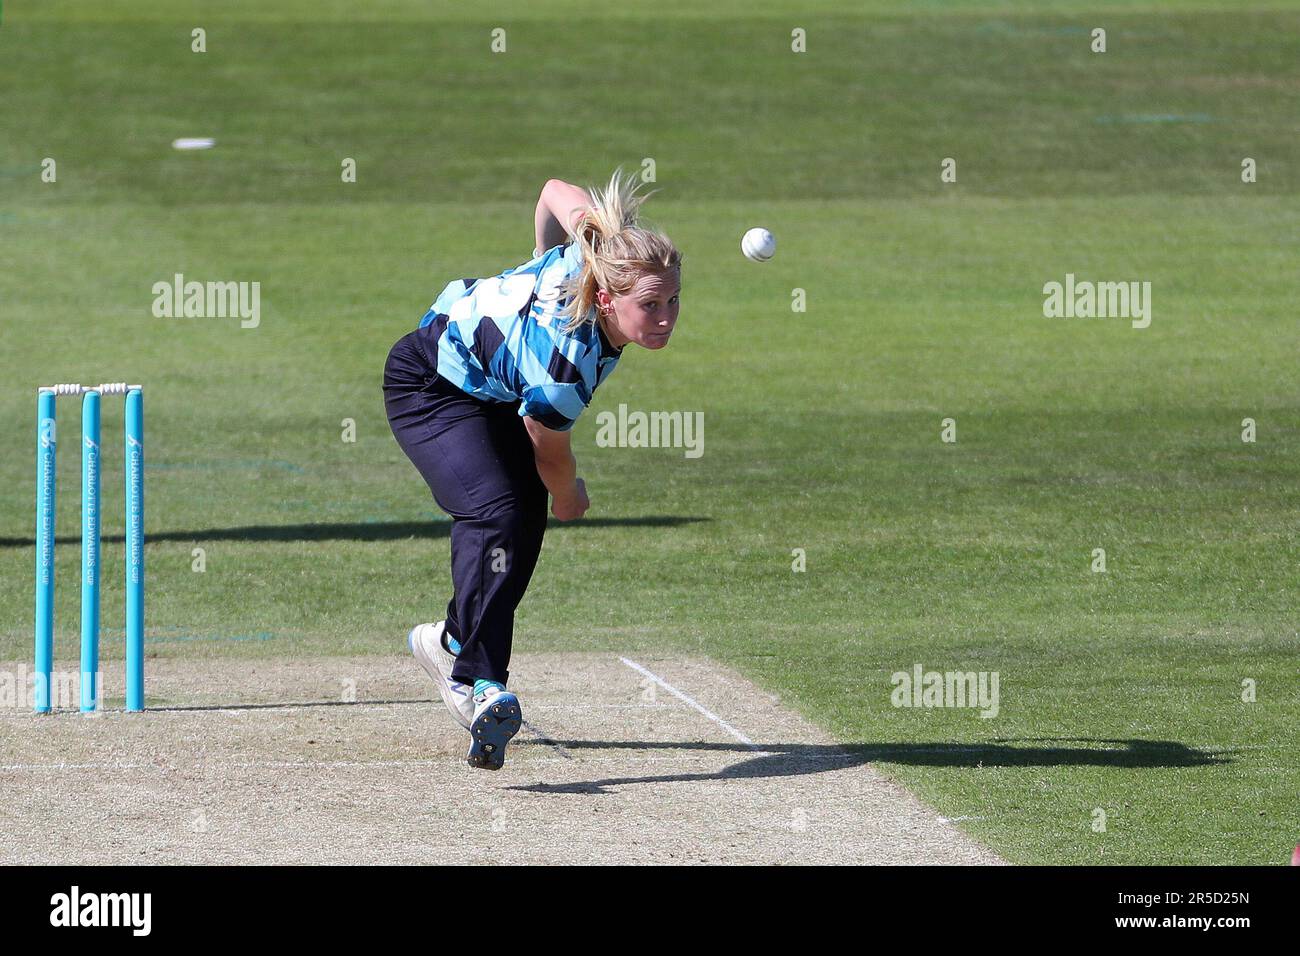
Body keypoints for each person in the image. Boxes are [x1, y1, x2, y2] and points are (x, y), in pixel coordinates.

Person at [382, 168, 683, 769]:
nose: (666, 317)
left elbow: (551, 189)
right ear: (606, 300)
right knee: (498, 511)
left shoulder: (590, 250)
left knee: (523, 523)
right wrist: (569, 496)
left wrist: (542, 255)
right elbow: (549, 449)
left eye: (673, 300)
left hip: (491, 391)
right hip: (428, 384)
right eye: (649, 305)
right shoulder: (565, 368)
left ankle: (450, 643)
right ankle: (478, 682)